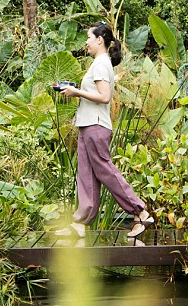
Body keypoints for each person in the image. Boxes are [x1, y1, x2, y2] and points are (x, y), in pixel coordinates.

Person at [58, 21, 153, 243]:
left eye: (89, 38)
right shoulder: (100, 63)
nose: (86, 43)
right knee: (87, 174)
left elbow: (104, 97)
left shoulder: (101, 64)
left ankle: (140, 212)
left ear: (100, 39)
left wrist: (76, 92)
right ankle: (80, 223)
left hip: (96, 125)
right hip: (88, 124)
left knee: (104, 170)